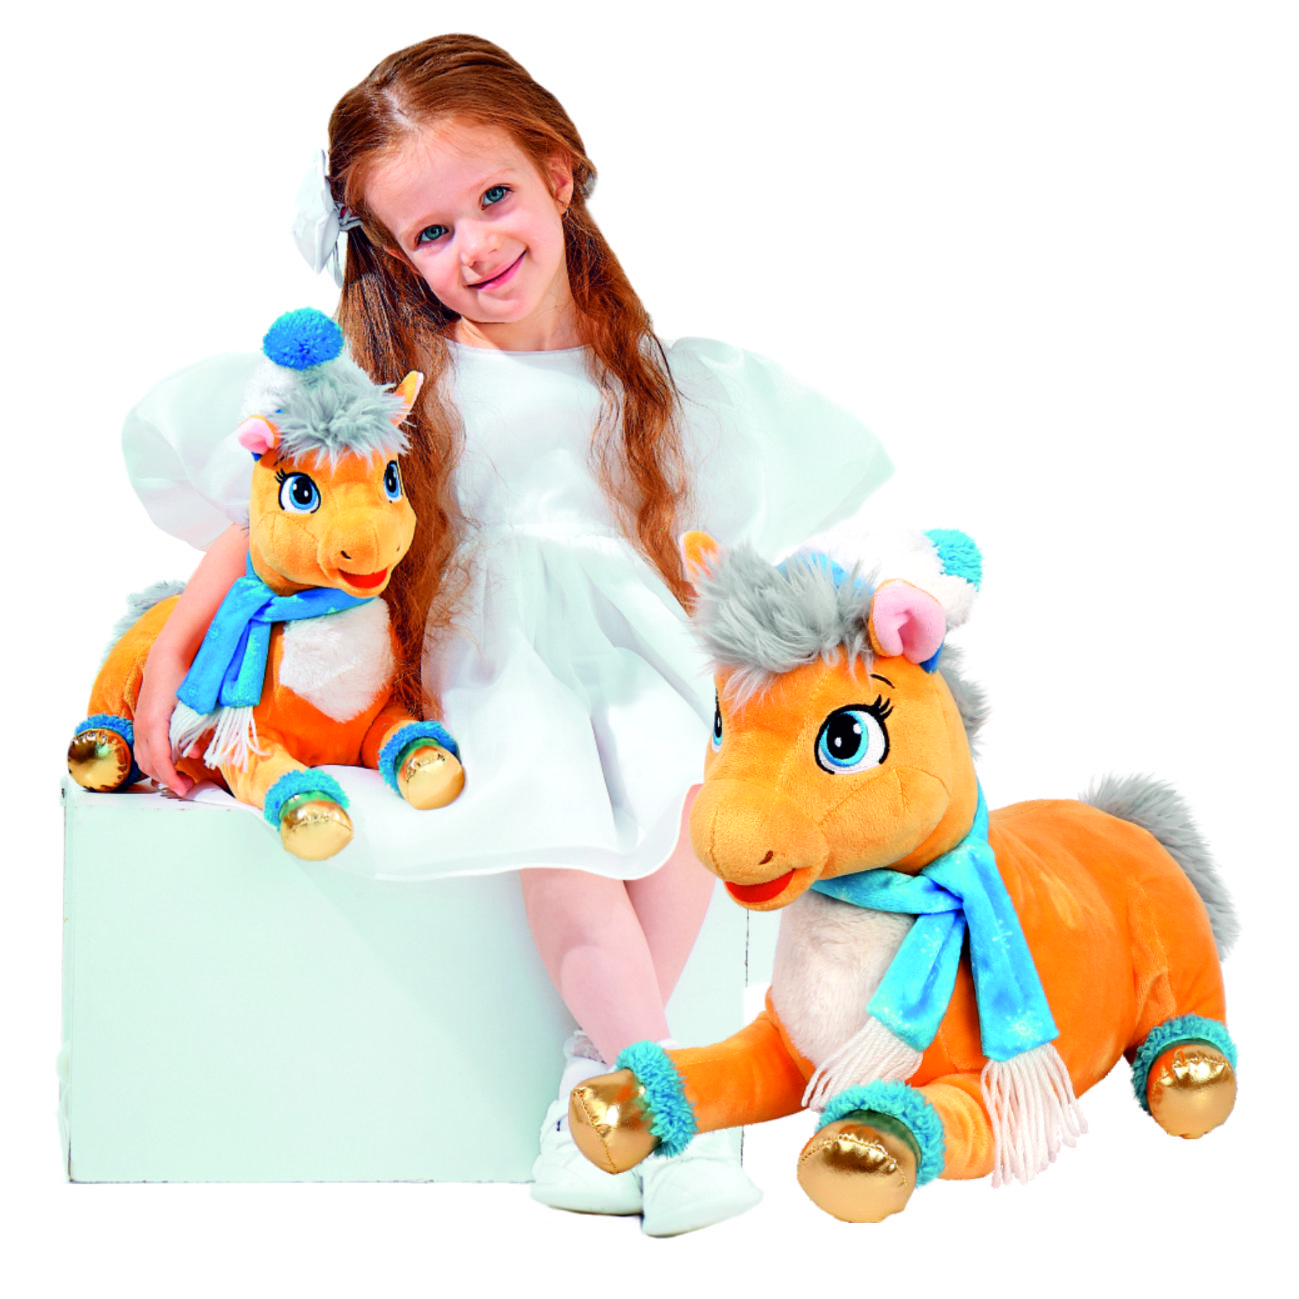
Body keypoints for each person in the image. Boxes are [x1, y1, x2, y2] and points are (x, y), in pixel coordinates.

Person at [124, 34, 891, 1235]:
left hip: (632, 644)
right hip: (488, 650)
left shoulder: (651, 380)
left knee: (688, 789)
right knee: (555, 811)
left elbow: (702, 544)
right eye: (432, 232)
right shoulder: (405, 380)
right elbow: (269, 516)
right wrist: (174, 650)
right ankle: (667, 1112)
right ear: (392, 253)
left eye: (495, 197)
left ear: (559, 174)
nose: (476, 246)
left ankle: (597, 1089)